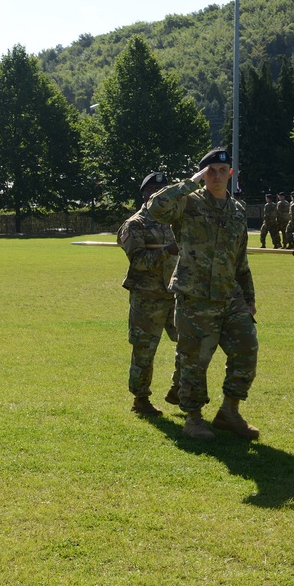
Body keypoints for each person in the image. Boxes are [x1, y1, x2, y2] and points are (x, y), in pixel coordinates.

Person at [148, 148, 259, 441]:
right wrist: (189, 183)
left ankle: (229, 412)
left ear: (231, 174)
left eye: (223, 171)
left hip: (230, 296)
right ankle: (193, 419)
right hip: (194, 297)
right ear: (203, 174)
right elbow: (155, 207)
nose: (218, 176)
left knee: (247, 350)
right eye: (211, 171)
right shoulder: (188, 204)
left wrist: (249, 299)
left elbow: (241, 259)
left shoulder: (237, 210)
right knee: (194, 361)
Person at [118, 171, 180, 416]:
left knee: (189, 343)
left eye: (163, 191)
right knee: (144, 349)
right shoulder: (135, 224)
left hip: (175, 293)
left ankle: (179, 387)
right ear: (144, 195)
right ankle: (140, 399)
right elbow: (139, 261)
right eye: (154, 192)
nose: (158, 196)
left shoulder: (176, 221)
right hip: (148, 297)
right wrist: (167, 250)